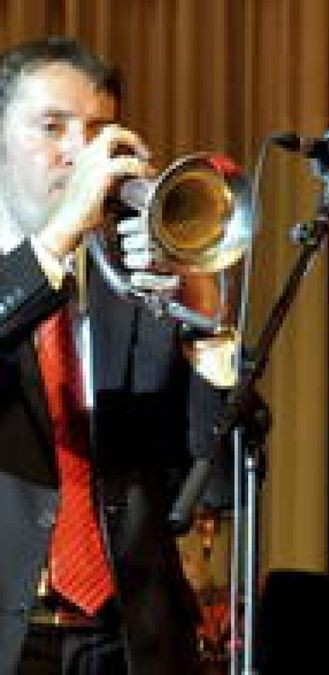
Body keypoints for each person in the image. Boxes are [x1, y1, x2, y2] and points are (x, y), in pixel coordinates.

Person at [0, 37, 228, 674]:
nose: (80, 151)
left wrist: (202, 313)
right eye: (52, 127)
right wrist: (57, 238)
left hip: (129, 637)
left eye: (99, 130)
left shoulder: (136, 286)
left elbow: (222, 472)